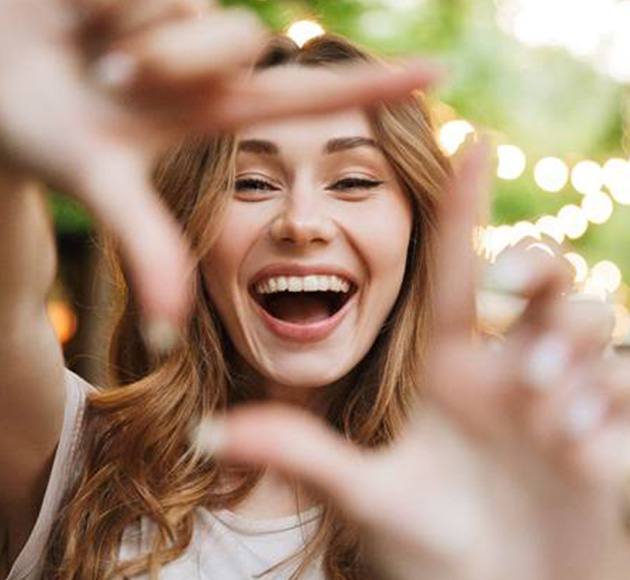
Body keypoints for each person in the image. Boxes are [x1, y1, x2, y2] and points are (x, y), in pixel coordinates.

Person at [2, 3, 630, 580]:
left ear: (418, 233)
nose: (300, 222)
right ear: (191, 228)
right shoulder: (79, 457)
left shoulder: (506, 495)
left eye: (353, 181)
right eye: (250, 183)